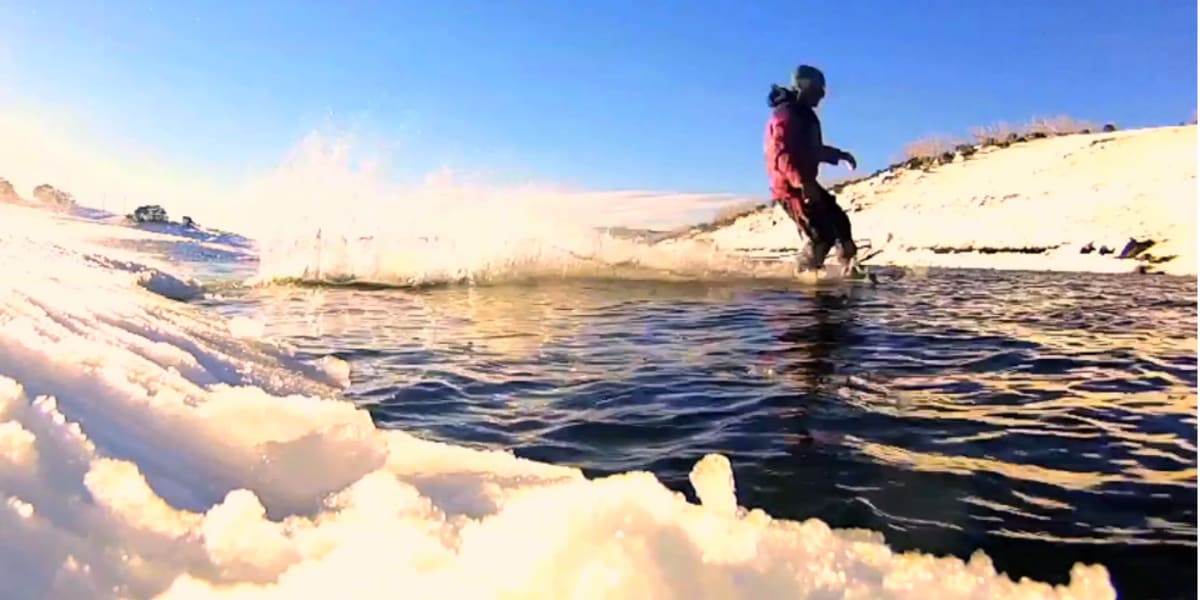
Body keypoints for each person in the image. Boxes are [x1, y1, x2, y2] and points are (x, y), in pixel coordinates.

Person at [764, 64, 860, 275]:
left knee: (840, 221)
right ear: (805, 88)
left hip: (804, 182)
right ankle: (804, 273)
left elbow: (812, 150)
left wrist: (839, 155)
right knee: (821, 235)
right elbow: (781, 153)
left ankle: (850, 267)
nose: (822, 97)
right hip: (790, 187)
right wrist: (801, 182)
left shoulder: (804, 115)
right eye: (819, 91)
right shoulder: (787, 115)